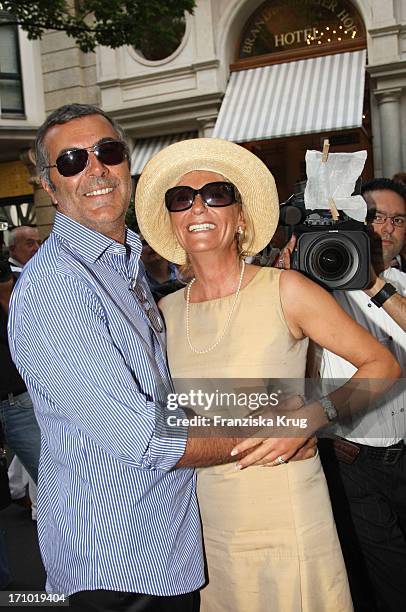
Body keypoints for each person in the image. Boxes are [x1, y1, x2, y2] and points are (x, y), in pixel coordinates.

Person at [8, 104, 325, 610]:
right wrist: (273, 438)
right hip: (117, 559)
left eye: (106, 152)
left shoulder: (121, 270)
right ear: (50, 185)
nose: (94, 169)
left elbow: (168, 401)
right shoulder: (58, 287)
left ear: (126, 165)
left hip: (166, 547)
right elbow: (148, 437)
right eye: (71, 161)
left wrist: (296, 410)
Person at [135, 137, 400, 612]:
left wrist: (312, 417)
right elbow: (168, 409)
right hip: (207, 517)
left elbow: (382, 365)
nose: (198, 206)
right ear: (173, 223)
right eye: (182, 198)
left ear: (240, 217)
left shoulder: (287, 289)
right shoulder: (162, 312)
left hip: (287, 506)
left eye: (217, 193)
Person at [278, 177, 406, 611]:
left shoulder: (401, 285)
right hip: (351, 463)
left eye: (397, 220)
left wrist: (372, 283)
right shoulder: (316, 287)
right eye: (373, 217)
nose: (384, 228)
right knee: (386, 582)